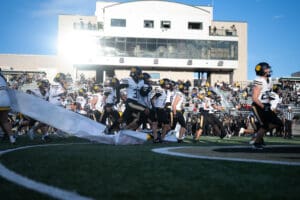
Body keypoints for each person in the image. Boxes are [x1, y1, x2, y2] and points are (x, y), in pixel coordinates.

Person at [251, 62, 281, 149]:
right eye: (267, 68)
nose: (269, 70)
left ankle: (258, 135)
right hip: (258, 105)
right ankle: (257, 143)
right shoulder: (259, 80)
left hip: (266, 104)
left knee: (278, 123)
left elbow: (266, 93)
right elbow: (254, 98)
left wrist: (270, 100)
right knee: (264, 125)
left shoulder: (269, 79)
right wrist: (263, 106)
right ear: (262, 70)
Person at [0, 68, 16, 144]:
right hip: (6, 99)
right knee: (4, 121)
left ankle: (3, 134)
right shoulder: (3, 78)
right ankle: (11, 138)